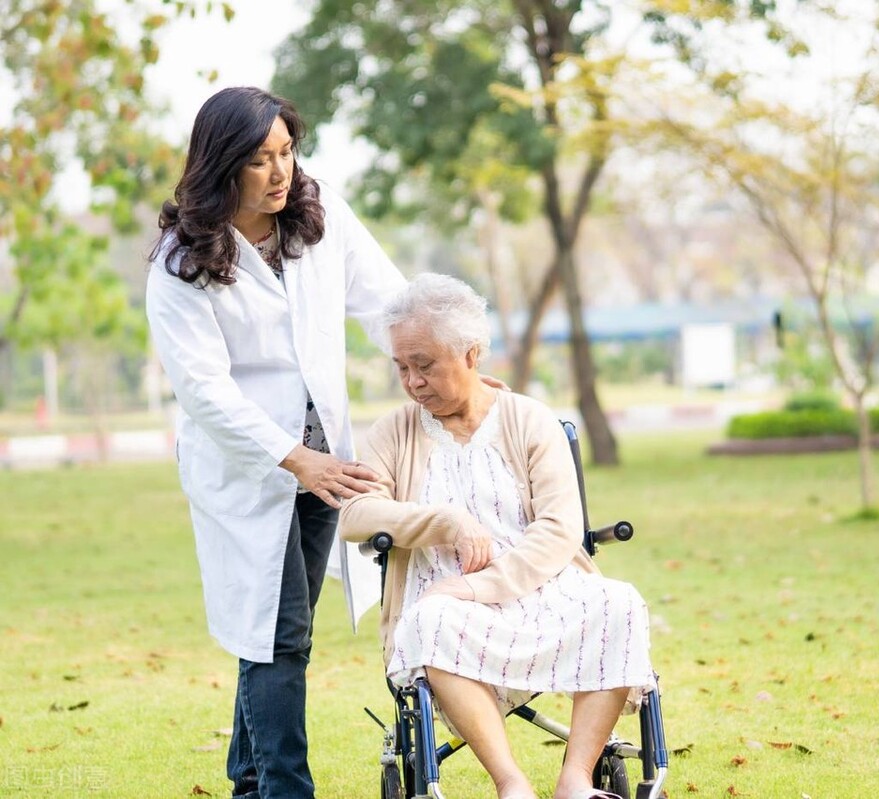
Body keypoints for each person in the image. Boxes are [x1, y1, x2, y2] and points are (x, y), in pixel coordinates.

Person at [146, 85, 409, 799]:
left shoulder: (320, 220)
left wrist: (441, 362)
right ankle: (286, 788)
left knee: (271, 629)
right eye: (260, 159)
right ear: (222, 165)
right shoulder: (180, 262)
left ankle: (247, 780)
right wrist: (295, 458)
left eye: (287, 151)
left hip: (323, 463)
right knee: (280, 633)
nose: (281, 171)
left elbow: (388, 302)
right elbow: (205, 391)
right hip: (247, 470)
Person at [339, 274, 656, 799]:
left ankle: (575, 780)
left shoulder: (529, 420)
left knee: (618, 601)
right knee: (431, 618)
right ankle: (511, 785)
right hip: (443, 600)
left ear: (471, 353)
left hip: (537, 587)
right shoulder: (394, 432)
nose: (413, 381)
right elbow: (355, 514)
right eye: (401, 367)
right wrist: (443, 521)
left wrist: (482, 586)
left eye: (425, 364)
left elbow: (559, 530)